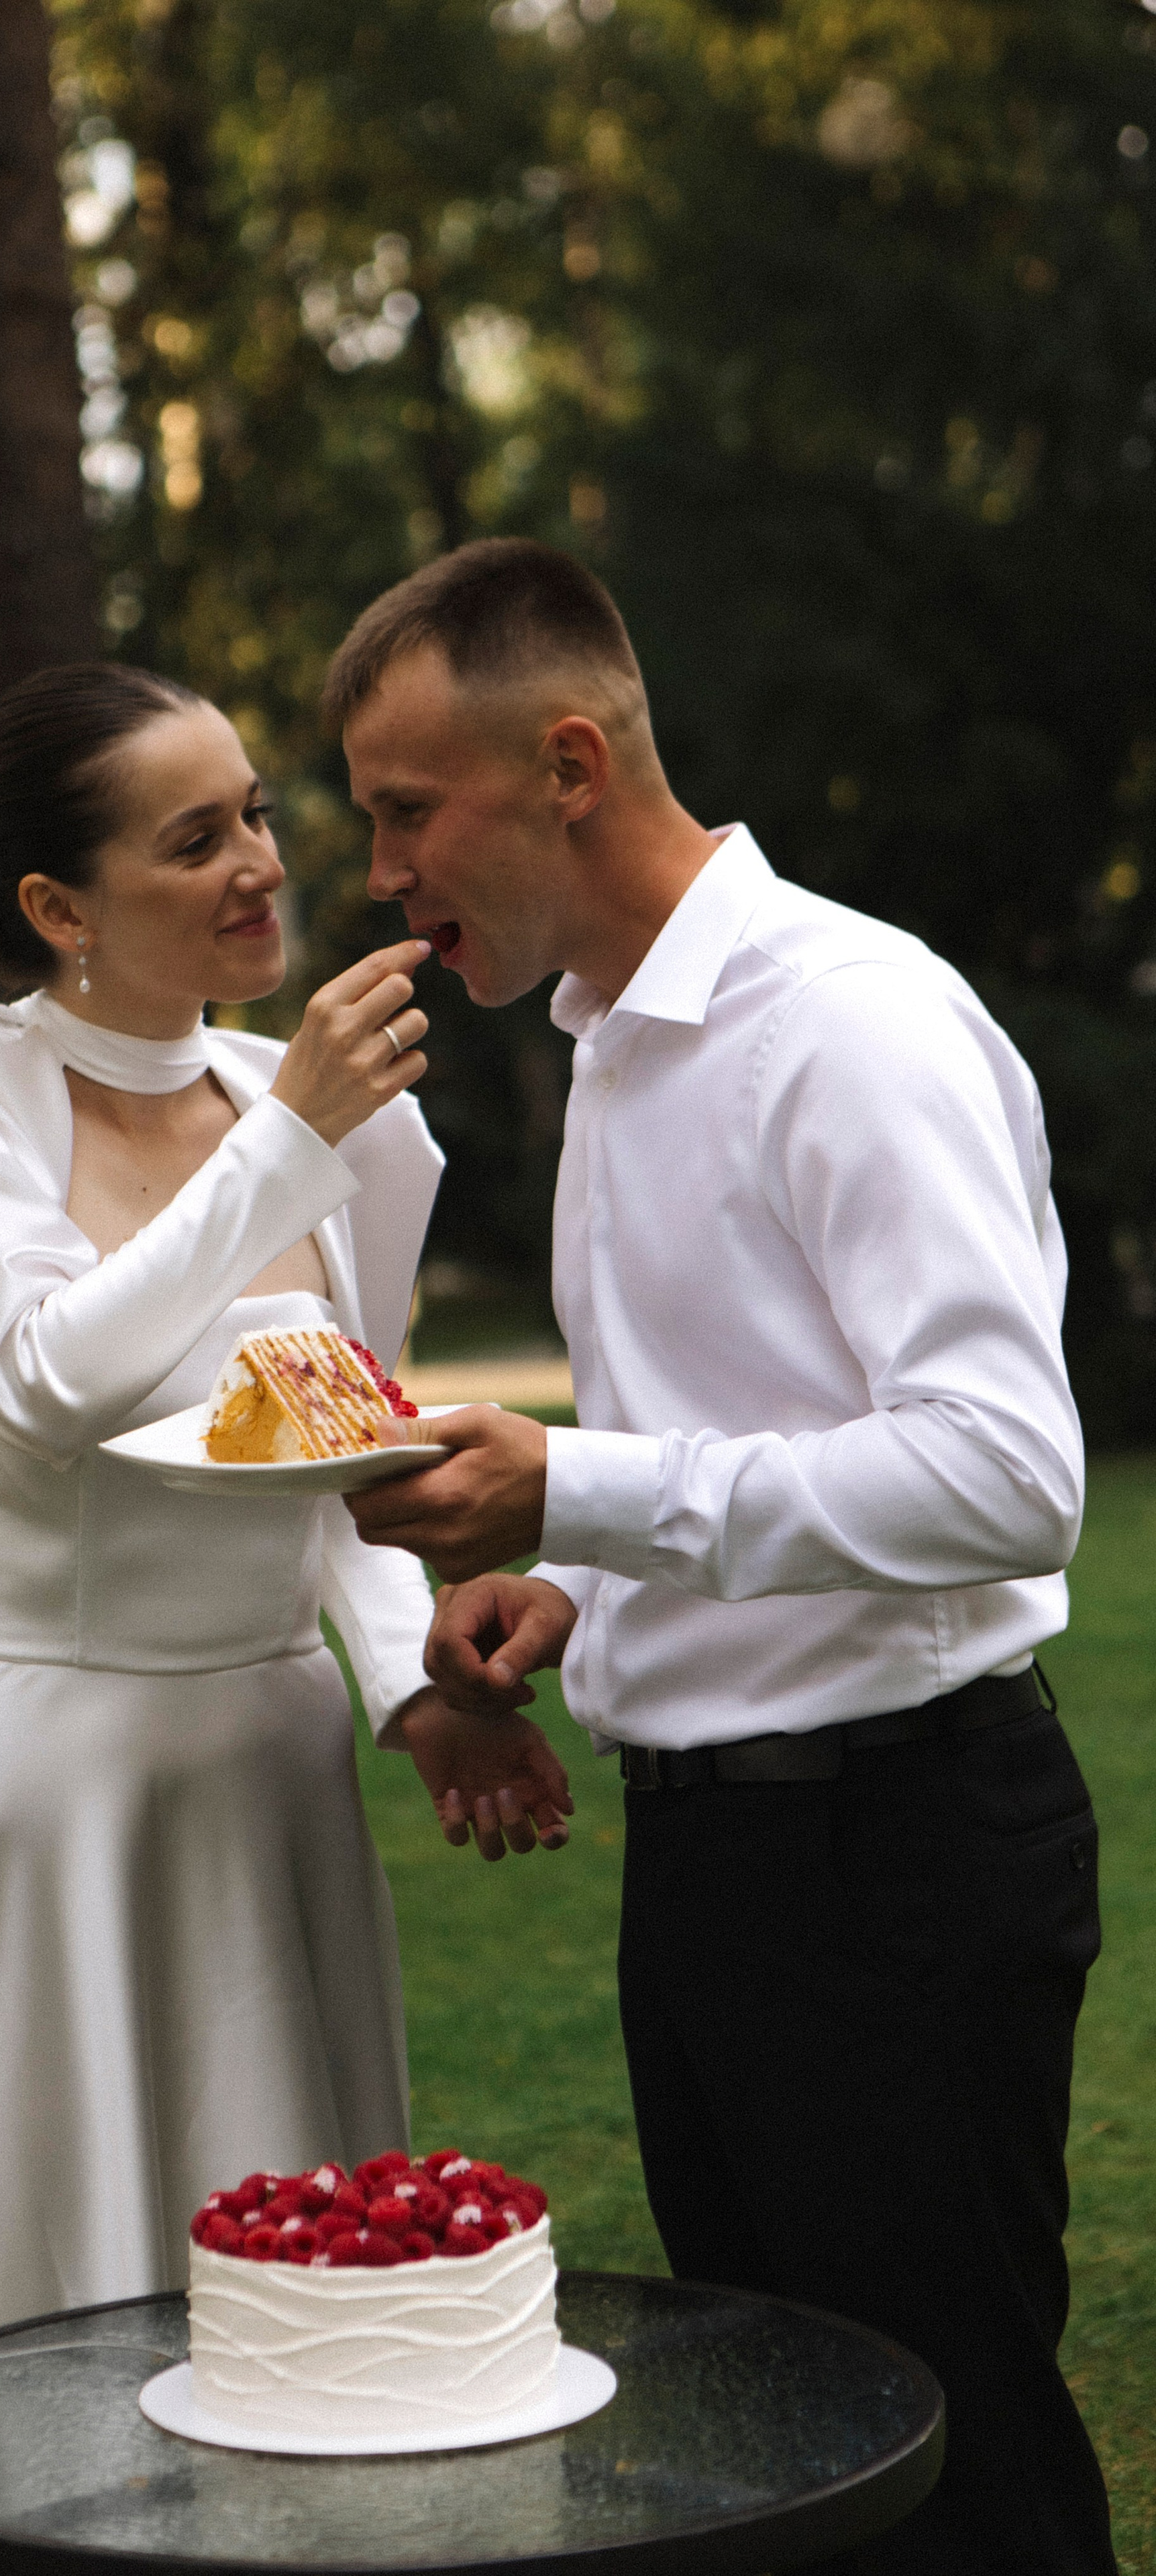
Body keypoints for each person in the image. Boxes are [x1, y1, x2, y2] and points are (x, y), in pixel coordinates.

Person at [335, 540, 1115, 2576]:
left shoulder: (843, 1021)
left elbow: (1008, 1476)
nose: (381, 872)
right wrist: (574, 1590)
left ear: (571, 760)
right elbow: (761, 1422)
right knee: (783, 2474)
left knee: (955, 2470)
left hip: (902, 1855)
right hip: (715, 1864)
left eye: (406, 813)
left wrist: (576, 1497)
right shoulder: (614, 1037)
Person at [0, 662, 572, 2576]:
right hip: (36, 1782)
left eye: (260, 815)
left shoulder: (335, 1123)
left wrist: (412, 1680)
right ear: (57, 904)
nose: (261, 864)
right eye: (194, 833)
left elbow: (337, 1453)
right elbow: (50, 1375)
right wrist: (280, 1139)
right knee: (24, 2277)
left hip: (263, 1777)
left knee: (293, 2294)